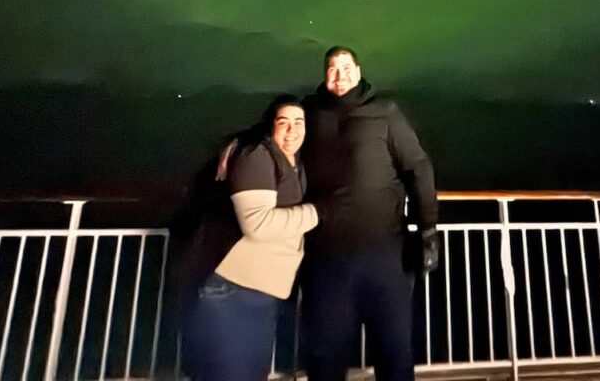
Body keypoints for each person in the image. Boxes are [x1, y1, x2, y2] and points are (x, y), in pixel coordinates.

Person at [301, 46, 439, 381]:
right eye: (332, 68)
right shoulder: (309, 112)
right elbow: (274, 132)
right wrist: (237, 143)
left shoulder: (385, 112)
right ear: (324, 75)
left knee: (393, 353)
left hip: (385, 256)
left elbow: (417, 167)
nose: (340, 75)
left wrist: (428, 230)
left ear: (359, 72)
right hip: (326, 259)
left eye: (346, 67)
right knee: (325, 357)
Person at [184, 95, 319, 381]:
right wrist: (319, 213)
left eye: (299, 122)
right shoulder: (257, 155)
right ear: (271, 127)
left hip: (263, 291)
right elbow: (257, 224)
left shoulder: (294, 162)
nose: (292, 130)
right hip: (234, 291)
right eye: (284, 123)